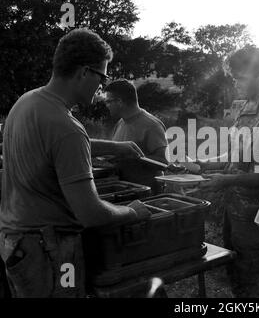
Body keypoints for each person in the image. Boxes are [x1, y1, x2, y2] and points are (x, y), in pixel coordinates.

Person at [0, 28, 150, 298]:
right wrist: (132, 212)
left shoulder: (26, 102)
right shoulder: (66, 127)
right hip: (50, 250)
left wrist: (114, 147)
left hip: (16, 242)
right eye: (102, 77)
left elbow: (52, 147)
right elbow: (90, 213)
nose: (101, 88)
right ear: (84, 72)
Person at [198, 46, 259, 297]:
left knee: (252, 283)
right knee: (237, 278)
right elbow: (239, 154)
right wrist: (205, 164)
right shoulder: (246, 107)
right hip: (236, 212)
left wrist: (226, 181)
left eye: (240, 78)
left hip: (256, 215)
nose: (236, 84)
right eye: (234, 79)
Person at [103, 79, 169, 194]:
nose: (107, 105)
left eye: (108, 102)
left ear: (119, 101)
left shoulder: (152, 125)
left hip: (148, 194)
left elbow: (164, 162)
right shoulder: (120, 123)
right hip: (126, 190)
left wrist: (134, 158)